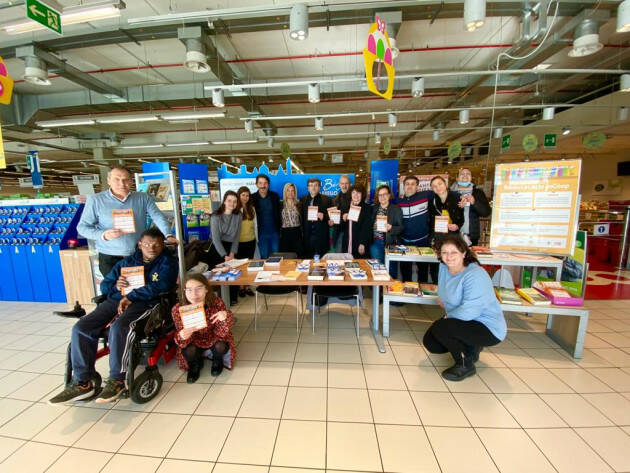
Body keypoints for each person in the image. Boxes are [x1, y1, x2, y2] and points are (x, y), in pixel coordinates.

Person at [49, 228, 178, 404]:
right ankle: (82, 382)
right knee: (81, 327)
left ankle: (117, 381)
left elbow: (161, 286)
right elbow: (105, 287)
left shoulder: (168, 263)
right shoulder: (126, 262)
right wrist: (116, 286)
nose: (152, 248)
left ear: (163, 245)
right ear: (140, 244)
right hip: (115, 300)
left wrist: (131, 296)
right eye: (147, 244)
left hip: (145, 302)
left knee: (119, 328)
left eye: (156, 244)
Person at [59, 166, 176, 317]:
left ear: (131, 181)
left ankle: (130, 324)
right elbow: (82, 228)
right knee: (114, 293)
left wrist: (168, 234)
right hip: (110, 257)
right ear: (109, 180)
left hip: (137, 257)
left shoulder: (142, 198)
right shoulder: (96, 200)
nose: (122, 183)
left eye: (126, 180)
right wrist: (103, 234)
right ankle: (104, 322)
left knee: (139, 292)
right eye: (117, 179)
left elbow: (158, 216)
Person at [422, 234, 506, 381]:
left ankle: (465, 365)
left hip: (487, 327)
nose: (449, 257)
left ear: (464, 253)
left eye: (453, 252)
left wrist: (447, 317)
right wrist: (444, 300)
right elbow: (446, 290)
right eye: (444, 252)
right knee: (431, 343)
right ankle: (471, 347)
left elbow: (470, 311)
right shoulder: (444, 267)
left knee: (441, 328)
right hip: (462, 319)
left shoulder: (475, 274)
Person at [172, 274, 236, 382]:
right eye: (189, 290)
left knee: (221, 346)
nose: (194, 294)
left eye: (199, 288)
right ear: (184, 291)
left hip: (214, 336)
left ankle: (217, 360)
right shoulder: (178, 309)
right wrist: (182, 335)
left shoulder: (216, 303)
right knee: (188, 350)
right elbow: (182, 341)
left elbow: (222, 333)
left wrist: (225, 317)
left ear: (206, 289)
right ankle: (195, 364)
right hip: (194, 340)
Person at [428, 175, 465, 283]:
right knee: (436, 266)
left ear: (445, 184)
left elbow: (461, 217)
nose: (438, 187)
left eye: (440, 184)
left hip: (453, 237)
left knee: (452, 263)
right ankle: (437, 286)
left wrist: (457, 225)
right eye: (434, 186)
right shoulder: (432, 201)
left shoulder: (457, 197)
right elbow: (431, 221)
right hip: (438, 237)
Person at [397, 175, 432, 284]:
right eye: (407, 184)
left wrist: (463, 198)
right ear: (403, 186)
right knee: (405, 271)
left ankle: (422, 292)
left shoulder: (425, 196)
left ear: (417, 186)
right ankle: (407, 289)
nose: (410, 186)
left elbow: (444, 194)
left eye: (413, 184)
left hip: (423, 241)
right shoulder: (398, 202)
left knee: (423, 271)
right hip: (404, 242)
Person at [451, 168, 491, 246]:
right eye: (462, 174)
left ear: (471, 177)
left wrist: (474, 202)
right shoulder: (450, 193)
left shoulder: (478, 193)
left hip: (471, 237)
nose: (465, 175)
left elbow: (486, 213)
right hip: (452, 236)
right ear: (457, 178)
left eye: (468, 174)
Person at [370, 184, 403, 278]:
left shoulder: (396, 209)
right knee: (378, 270)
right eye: (380, 195)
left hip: (391, 243)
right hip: (376, 242)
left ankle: (390, 287)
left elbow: (401, 228)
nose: (382, 197)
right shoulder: (374, 208)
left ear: (389, 195)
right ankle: (379, 288)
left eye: (385, 194)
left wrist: (391, 228)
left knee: (391, 270)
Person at [251, 174, 281, 259]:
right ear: (256, 184)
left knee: (276, 257)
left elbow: (279, 214)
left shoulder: (275, 196)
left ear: (268, 184)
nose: (263, 186)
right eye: (260, 183)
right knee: (264, 257)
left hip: (274, 233)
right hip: (261, 235)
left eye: (265, 183)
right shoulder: (252, 198)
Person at [299, 178, 331, 258]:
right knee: (308, 259)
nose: (313, 188)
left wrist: (324, 217)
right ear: (308, 188)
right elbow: (301, 217)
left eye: (315, 185)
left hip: (321, 236)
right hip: (307, 236)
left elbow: (332, 217)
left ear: (319, 187)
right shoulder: (303, 200)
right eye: (311, 185)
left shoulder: (326, 200)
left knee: (321, 260)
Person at [235, 186, 257, 298]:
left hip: (251, 240)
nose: (245, 197)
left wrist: (256, 238)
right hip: (239, 242)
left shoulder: (251, 209)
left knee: (248, 265)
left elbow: (255, 225)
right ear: (239, 196)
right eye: (243, 195)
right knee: (240, 266)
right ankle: (241, 288)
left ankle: (247, 287)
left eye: (247, 195)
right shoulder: (235, 209)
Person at [341, 183, 371, 258]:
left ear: (362, 194)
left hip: (359, 243)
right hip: (347, 242)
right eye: (353, 192)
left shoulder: (367, 208)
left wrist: (363, 243)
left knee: (359, 263)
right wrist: (343, 219)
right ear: (350, 194)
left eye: (358, 192)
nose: (355, 195)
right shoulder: (346, 207)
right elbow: (341, 227)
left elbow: (367, 227)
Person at [279, 182, 303, 256]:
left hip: (297, 232)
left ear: (295, 192)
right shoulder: (280, 204)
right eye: (288, 190)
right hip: (285, 233)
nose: (290, 193)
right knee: (286, 255)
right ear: (285, 192)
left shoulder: (299, 204)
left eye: (292, 191)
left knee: (298, 254)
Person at [330, 175, 351, 252]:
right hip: (338, 232)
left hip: (351, 232)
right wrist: (330, 221)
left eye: (346, 183)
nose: (344, 186)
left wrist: (349, 215)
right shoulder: (334, 199)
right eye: (342, 183)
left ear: (350, 184)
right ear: (339, 184)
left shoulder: (354, 198)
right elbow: (331, 216)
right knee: (338, 255)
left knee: (350, 256)